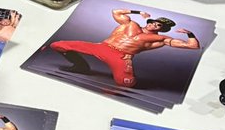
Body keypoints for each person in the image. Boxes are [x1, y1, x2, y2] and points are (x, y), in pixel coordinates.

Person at [49, 8, 200, 88]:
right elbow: (116, 12)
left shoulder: (160, 39)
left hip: (121, 56)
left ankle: (127, 74)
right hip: (102, 47)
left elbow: (193, 46)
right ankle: (81, 66)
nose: (153, 24)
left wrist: (190, 34)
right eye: (153, 21)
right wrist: (138, 12)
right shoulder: (130, 24)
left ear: (163, 29)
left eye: (158, 25)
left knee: (125, 83)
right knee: (57, 45)